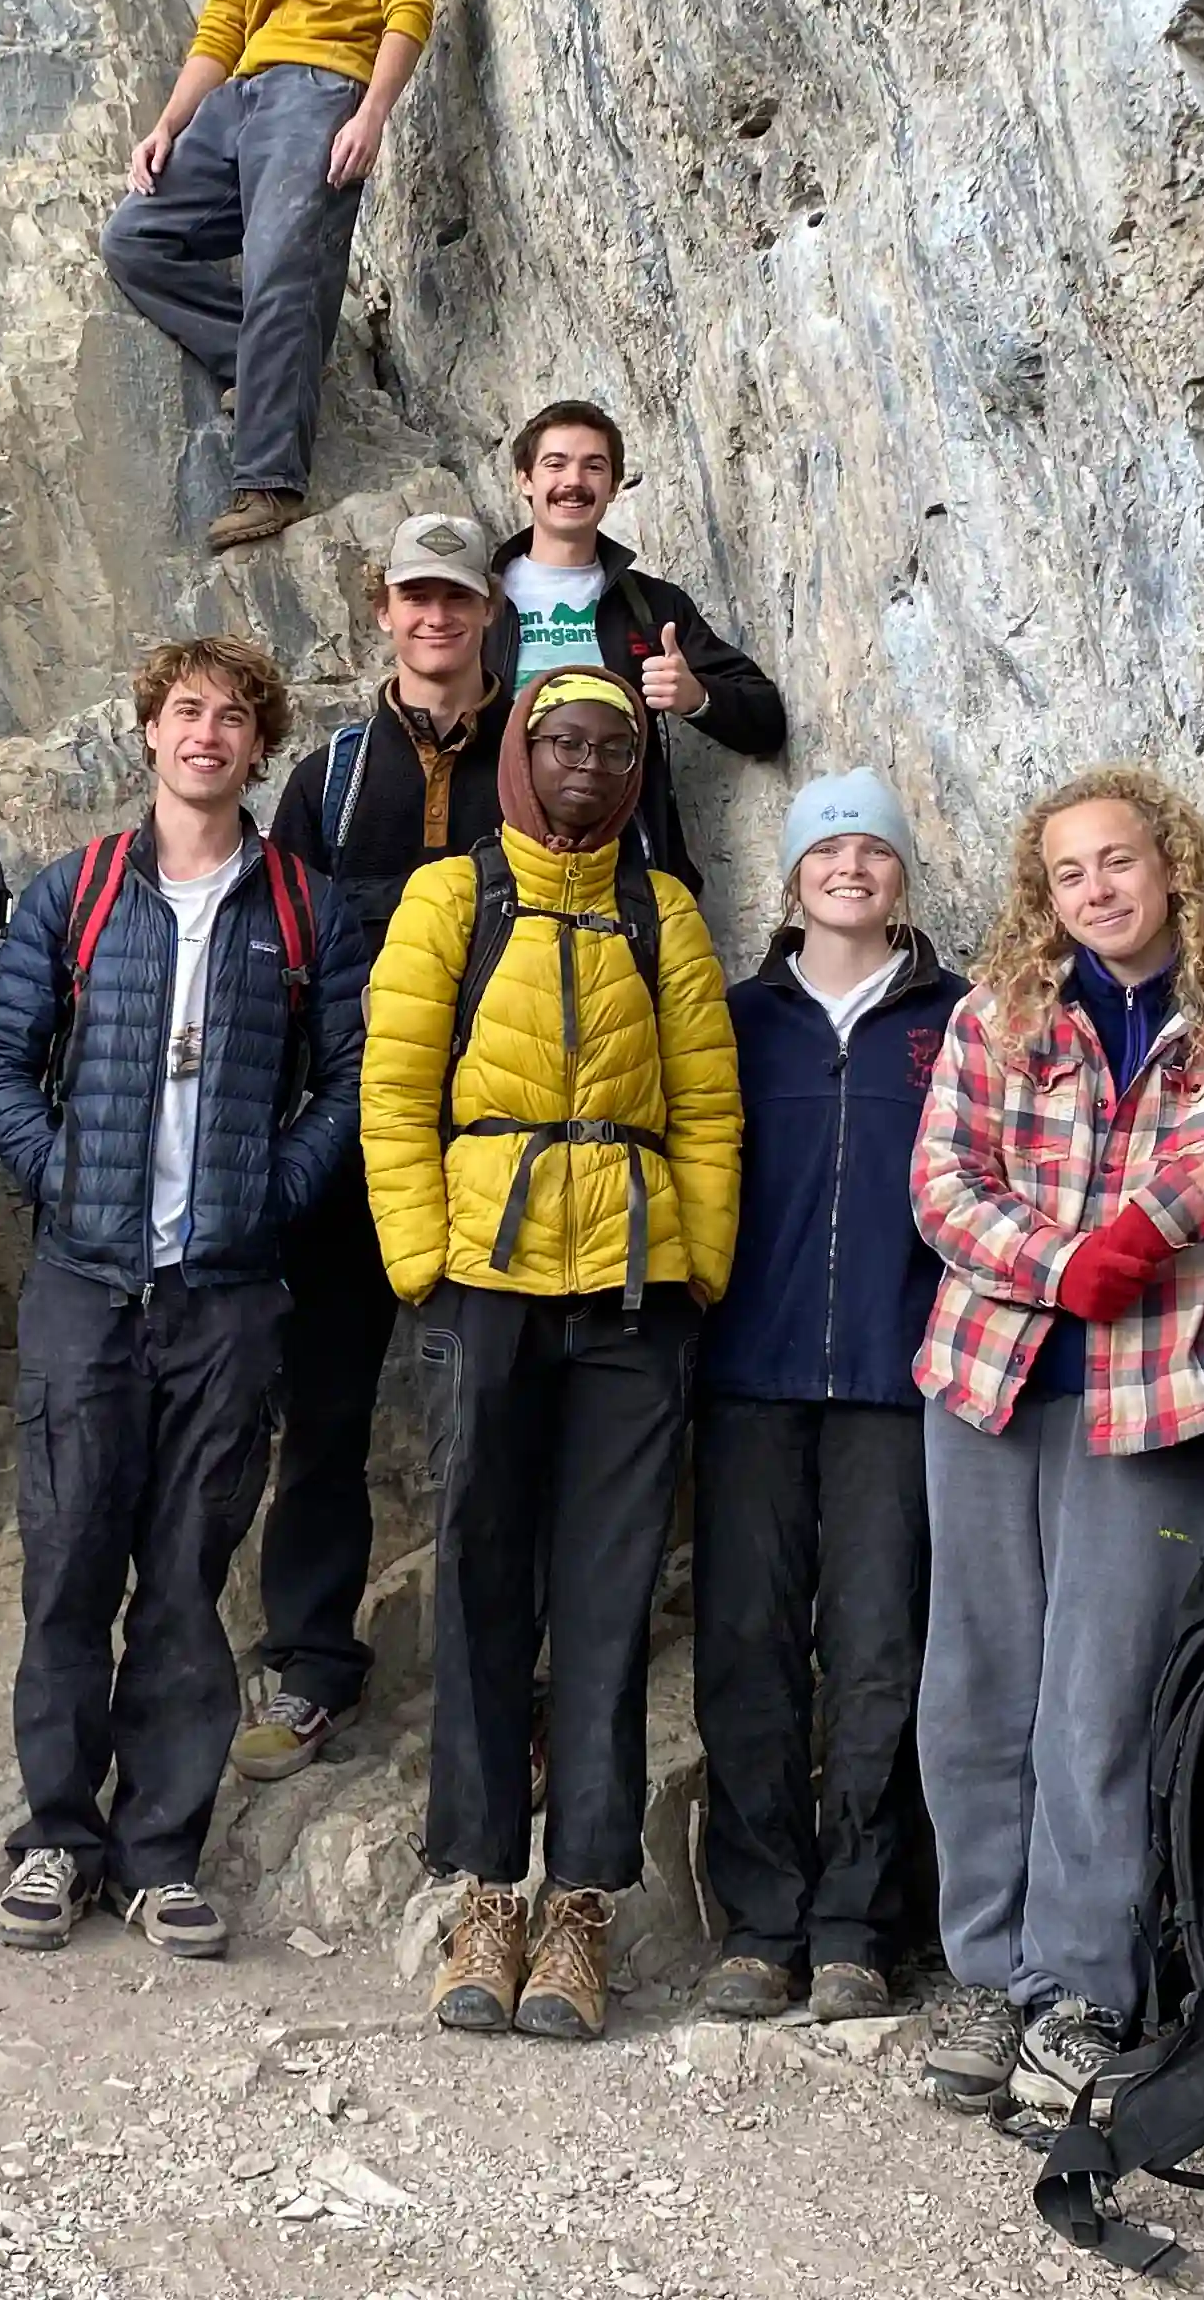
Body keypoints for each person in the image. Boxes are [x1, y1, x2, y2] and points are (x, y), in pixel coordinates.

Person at [909, 766, 1204, 2127]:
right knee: (976, 1689)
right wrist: (1062, 1263)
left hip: (1155, 1399)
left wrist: (1178, 1201)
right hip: (991, 1385)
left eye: (1117, 861)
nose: (1097, 891)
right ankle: (988, 1969)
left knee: (1099, 1700)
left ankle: (1079, 1989)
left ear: (1172, 863)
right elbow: (943, 1184)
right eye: (1069, 873)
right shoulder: (1001, 1013)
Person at [0, 636, 361, 1960]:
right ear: (148, 731)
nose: (207, 734)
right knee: (69, 1561)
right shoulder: (77, 890)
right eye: (187, 711)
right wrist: (64, 1176)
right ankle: (58, 1840)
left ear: (260, 745)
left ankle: (160, 1856)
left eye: (234, 717)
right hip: (87, 1282)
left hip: (227, 1291)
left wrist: (269, 1192)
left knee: (189, 1576)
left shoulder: (302, 907)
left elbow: (351, 1079)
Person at [360, 669, 742, 2043]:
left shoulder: (661, 910)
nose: (586, 765)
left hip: (634, 1292)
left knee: (609, 1590)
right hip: (491, 1282)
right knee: (479, 1577)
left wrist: (698, 1263)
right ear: (522, 757)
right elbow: (394, 1087)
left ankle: (579, 1901)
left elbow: (706, 1105)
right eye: (562, 742)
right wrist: (424, 1260)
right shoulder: (451, 897)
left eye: (612, 748)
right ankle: (483, 1894)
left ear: (636, 772)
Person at [237, 510, 508, 1783]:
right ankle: (309, 1669)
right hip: (352, 1129)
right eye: (414, 596)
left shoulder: (544, 751)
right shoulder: (332, 775)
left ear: (487, 611)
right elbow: (281, 949)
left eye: (455, 597)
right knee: (327, 1410)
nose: (434, 617)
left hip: (499, 1133)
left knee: (500, 1417)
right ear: (383, 610)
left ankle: (497, 1685)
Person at [690, 774, 965, 2025]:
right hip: (747, 1374)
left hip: (899, 1385)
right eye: (826, 849)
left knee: (880, 1652)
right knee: (747, 1646)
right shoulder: (733, 1019)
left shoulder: (961, 1021)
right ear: (792, 876)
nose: (850, 867)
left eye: (873, 849)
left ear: (904, 873)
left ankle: (858, 1924)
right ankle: (762, 1924)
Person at [101, 0, 436, 554]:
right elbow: (220, 28)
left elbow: (408, 2)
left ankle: (269, 482)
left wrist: (372, 112)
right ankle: (260, 359)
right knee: (134, 237)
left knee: (281, 261)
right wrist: (168, 124)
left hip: (324, 90)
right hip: (240, 99)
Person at [477, 401, 784, 895]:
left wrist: (696, 698)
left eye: (594, 466)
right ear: (525, 479)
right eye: (555, 464)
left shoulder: (651, 604)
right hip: (496, 853)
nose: (574, 481)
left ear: (614, 486)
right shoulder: (479, 601)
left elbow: (765, 719)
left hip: (622, 865)